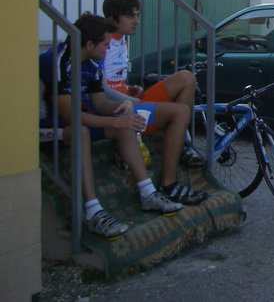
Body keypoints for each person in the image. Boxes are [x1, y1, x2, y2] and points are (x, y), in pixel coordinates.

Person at [39, 13, 208, 240]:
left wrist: (122, 107)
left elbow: (100, 103)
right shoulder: (58, 61)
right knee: (82, 131)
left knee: (128, 123)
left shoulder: (91, 64)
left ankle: (148, 191)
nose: (108, 50)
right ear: (89, 44)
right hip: (45, 127)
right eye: (106, 44)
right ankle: (92, 211)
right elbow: (70, 116)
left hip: (81, 118)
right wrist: (114, 120)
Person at [101, 0, 205, 168]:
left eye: (137, 15)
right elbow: (100, 90)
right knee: (178, 111)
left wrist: (128, 88)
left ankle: (181, 145)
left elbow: (115, 79)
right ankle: (180, 147)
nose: (136, 21)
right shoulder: (103, 44)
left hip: (131, 101)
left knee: (187, 78)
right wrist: (131, 99)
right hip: (120, 110)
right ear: (113, 18)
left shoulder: (122, 42)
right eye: (129, 16)